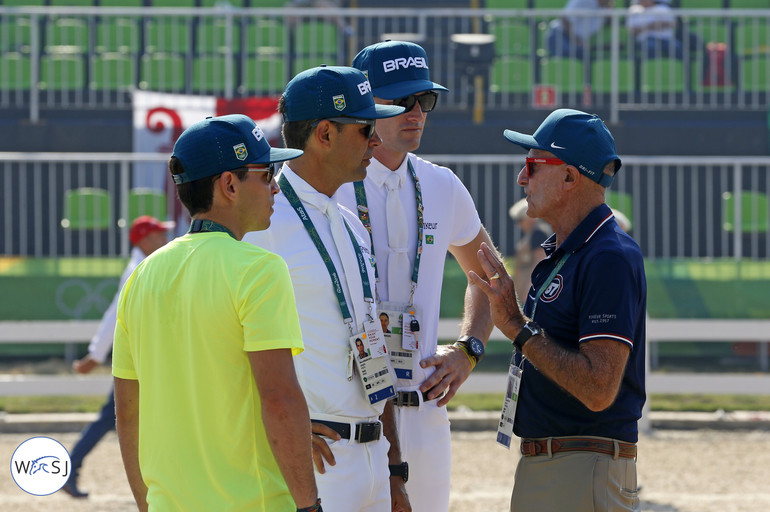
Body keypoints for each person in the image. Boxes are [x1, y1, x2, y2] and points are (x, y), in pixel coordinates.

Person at [112, 114, 321, 511]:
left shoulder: (142, 275)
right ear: (229, 184)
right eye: (267, 173)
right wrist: (309, 506)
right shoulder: (260, 268)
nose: (275, 187)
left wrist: (148, 505)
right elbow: (279, 399)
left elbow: (128, 413)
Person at [337, 40, 495, 512]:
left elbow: (489, 277)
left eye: (424, 100)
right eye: (400, 101)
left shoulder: (442, 184)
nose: (415, 112)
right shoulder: (331, 185)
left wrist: (469, 350)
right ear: (367, 106)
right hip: (349, 410)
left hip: (424, 413)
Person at [243, 66, 410, 512]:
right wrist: (279, 430)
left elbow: (370, 342)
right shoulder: (264, 224)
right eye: (366, 129)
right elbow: (222, 342)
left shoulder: (351, 222)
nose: (377, 141)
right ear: (324, 134)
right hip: (317, 462)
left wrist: (393, 471)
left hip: (372, 456)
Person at [468, 108, 646, 511]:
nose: (521, 178)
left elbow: (599, 389)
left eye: (532, 165)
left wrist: (517, 327)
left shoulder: (608, 256)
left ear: (569, 177)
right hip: (565, 464)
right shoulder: (572, 252)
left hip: (581, 467)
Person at [62, 215, 171, 499]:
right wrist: (95, 355)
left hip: (142, 360)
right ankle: (71, 468)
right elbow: (115, 315)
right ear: (145, 239)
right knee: (116, 418)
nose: (164, 238)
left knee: (119, 418)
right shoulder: (140, 269)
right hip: (141, 362)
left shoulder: (145, 265)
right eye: (159, 234)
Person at [509, 198, 550, 306]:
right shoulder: (531, 234)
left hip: (530, 286)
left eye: (520, 220)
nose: (518, 225)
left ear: (528, 218)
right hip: (525, 285)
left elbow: (539, 261)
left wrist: (530, 286)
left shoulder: (538, 234)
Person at [547, 0, 614, 60]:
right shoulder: (583, 1)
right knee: (571, 57)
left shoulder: (605, 9)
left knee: (586, 58)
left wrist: (609, 9)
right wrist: (577, 40)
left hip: (576, 42)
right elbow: (565, 19)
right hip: (560, 36)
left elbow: (611, 23)